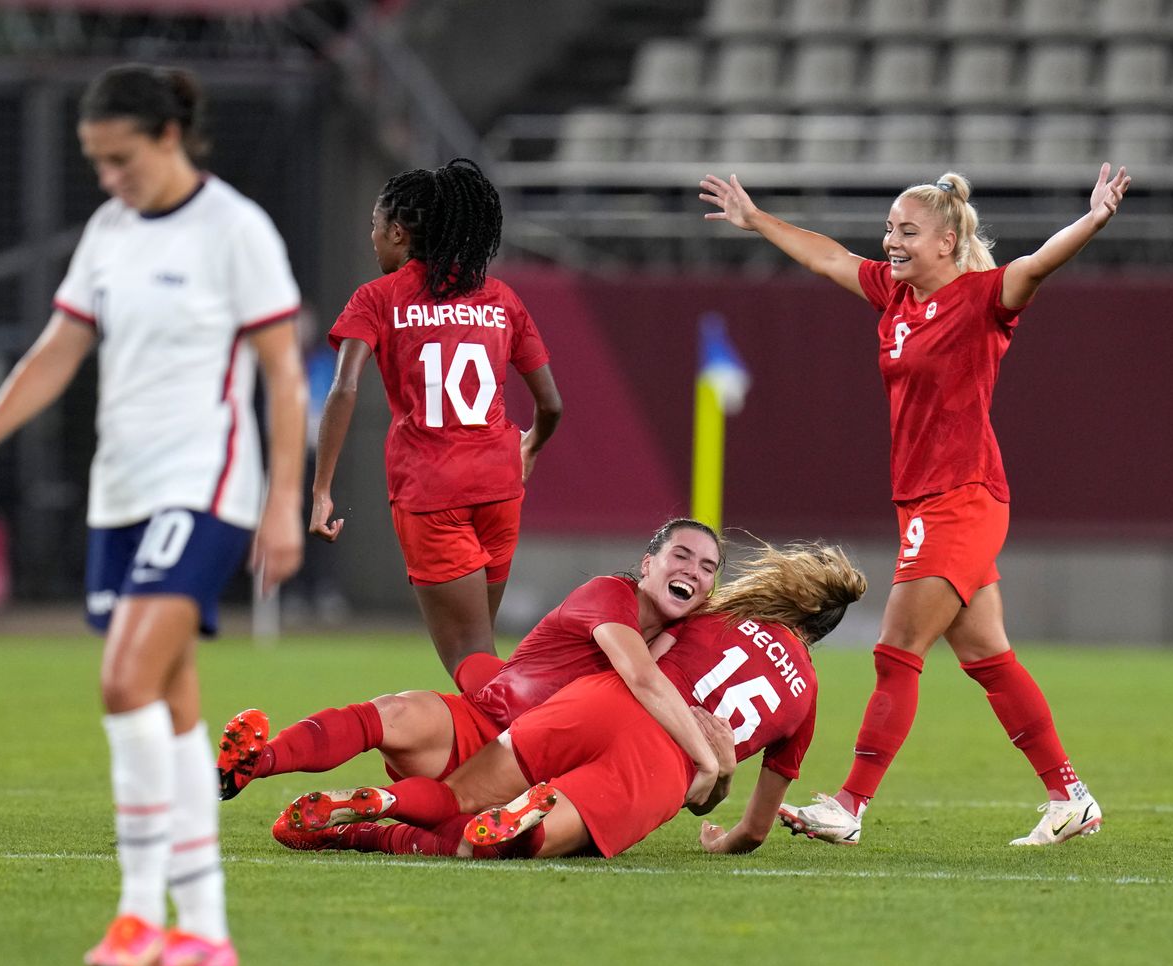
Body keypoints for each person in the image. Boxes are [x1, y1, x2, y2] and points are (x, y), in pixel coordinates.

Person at [0, 64, 307, 966]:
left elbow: (282, 374)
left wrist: (285, 499)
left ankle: (139, 913)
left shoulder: (236, 229)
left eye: (121, 159)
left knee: (122, 678)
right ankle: (205, 929)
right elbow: (61, 347)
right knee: (172, 704)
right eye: (96, 163)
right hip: (121, 493)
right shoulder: (108, 231)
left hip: (203, 485)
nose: (109, 179)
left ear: (169, 138)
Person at [698, 164, 1131, 846]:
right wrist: (757, 220)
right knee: (989, 658)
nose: (891, 242)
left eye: (907, 231)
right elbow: (831, 257)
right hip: (927, 501)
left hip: (963, 498)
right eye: (890, 229)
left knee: (897, 648)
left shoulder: (983, 298)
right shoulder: (893, 297)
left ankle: (849, 804)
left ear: (948, 243)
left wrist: (1095, 218)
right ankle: (1070, 797)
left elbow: (1038, 264)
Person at [274, 541, 867, 861]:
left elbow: (650, 660)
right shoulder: (807, 697)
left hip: (599, 701)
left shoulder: (714, 615)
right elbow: (755, 831)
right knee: (509, 841)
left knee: (457, 795)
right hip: (660, 765)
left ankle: (381, 801)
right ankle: (374, 832)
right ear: (820, 632)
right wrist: (720, 815)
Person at [219, 518, 728, 811]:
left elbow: (693, 794)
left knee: (449, 811)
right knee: (389, 713)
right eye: (681, 556)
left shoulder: (685, 644)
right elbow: (641, 678)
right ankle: (254, 764)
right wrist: (707, 762)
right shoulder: (609, 595)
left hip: (538, 771)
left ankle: (357, 815)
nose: (693, 571)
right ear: (648, 564)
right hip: (482, 725)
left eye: (707, 567)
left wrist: (721, 774)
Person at [310, 157, 563, 677]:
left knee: (471, 662)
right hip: (499, 486)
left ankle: (540, 748)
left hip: (432, 492)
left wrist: (321, 491)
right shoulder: (499, 298)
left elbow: (345, 387)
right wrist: (531, 446)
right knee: (481, 652)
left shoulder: (377, 298)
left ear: (398, 233)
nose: (372, 239)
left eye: (375, 228)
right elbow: (552, 405)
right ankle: (490, 754)